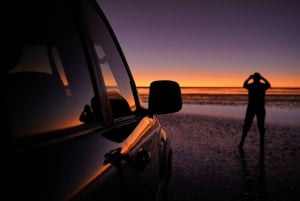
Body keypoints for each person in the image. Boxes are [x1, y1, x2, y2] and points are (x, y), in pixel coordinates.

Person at [239, 72, 271, 152]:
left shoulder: (251, 86)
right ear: (259, 78)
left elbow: (244, 84)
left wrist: (249, 78)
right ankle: (261, 145)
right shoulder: (262, 86)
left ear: (253, 79)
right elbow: (269, 85)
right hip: (259, 108)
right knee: (260, 126)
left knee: (247, 125)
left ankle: (241, 143)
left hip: (252, 108)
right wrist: (262, 77)